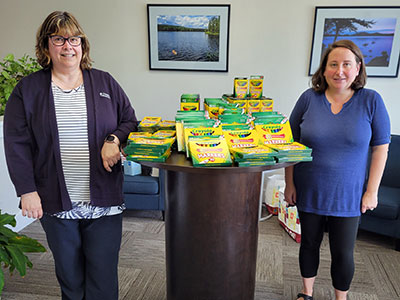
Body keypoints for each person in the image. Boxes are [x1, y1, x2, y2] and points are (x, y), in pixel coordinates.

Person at [4, 11, 137, 300]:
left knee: (103, 281)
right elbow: (16, 143)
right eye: (58, 39)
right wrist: (27, 190)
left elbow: (130, 121)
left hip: (104, 203)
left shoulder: (105, 83)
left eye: (74, 39)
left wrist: (113, 139)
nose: (68, 46)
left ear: (83, 44)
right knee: (71, 280)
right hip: (56, 203)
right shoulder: (28, 90)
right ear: (46, 46)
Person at [284, 39, 390, 300]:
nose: (339, 71)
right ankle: (306, 293)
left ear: (358, 68)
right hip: (308, 189)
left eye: (346, 64)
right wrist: (289, 183)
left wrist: (372, 191)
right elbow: (290, 144)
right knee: (309, 243)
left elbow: (381, 148)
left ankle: (340, 298)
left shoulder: (371, 101)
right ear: (324, 69)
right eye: (333, 64)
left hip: (348, 194)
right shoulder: (308, 99)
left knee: (343, 252)